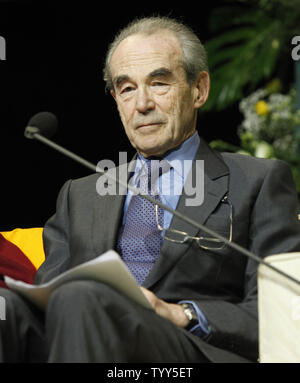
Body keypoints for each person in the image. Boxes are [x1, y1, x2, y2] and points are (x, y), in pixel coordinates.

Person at [1, 16, 300, 363]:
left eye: (159, 83)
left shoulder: (258, 181)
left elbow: (283, 309)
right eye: (127, 89)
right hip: (83, 339)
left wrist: (184, 314)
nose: (142, 105)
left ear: (199, 89)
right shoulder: (80, 195)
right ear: (116, 99)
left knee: (81, 296)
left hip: (191, 351)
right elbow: (45, 303)